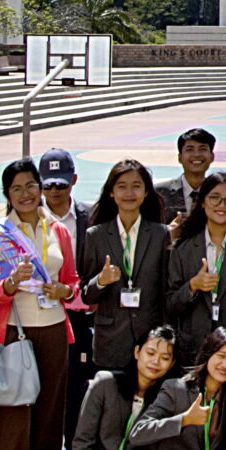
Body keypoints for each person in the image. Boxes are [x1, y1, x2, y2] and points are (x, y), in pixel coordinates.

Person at [0, 156, 80, 450]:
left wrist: (65, 291)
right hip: (13, 331)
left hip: (54, 330)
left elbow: (71, 281)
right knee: (12, 421)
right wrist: (9, 285)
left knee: (48, 420)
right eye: (17, 188)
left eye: (31, 186)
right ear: (7, 194)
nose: (26, 194)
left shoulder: (57, 230)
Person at [79, 159, 166, 402]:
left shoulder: (160, 234)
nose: (129, 193)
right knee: (111, 410)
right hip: (110, 341)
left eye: (136, 186)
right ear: (111, 192)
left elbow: (164, 290)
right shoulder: (95, 235)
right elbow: (87, 294)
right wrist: (101, 280)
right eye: (122, 186)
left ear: (146, 191)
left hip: (150, 340)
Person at [166, 171, 226, 362]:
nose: (222, 205)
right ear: (202, 202)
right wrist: (192, 286)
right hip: (192, 352)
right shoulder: (182, 248)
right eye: (215, 198)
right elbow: (169, 305)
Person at [37, 148, 93, 448]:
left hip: (78, 317)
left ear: (73, 180)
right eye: (47, 185)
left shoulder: (91, 215)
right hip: (40, 316)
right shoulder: (28, 218)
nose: (54, 191)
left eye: (61, 184)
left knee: (76, 392)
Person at [157, 128, 218, 229]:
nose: (196, 154)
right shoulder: (159, 193)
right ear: (180, 158)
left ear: (212, 157)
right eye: (190, 149)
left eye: (202, 149)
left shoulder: (220, 193)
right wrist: (167, 233)